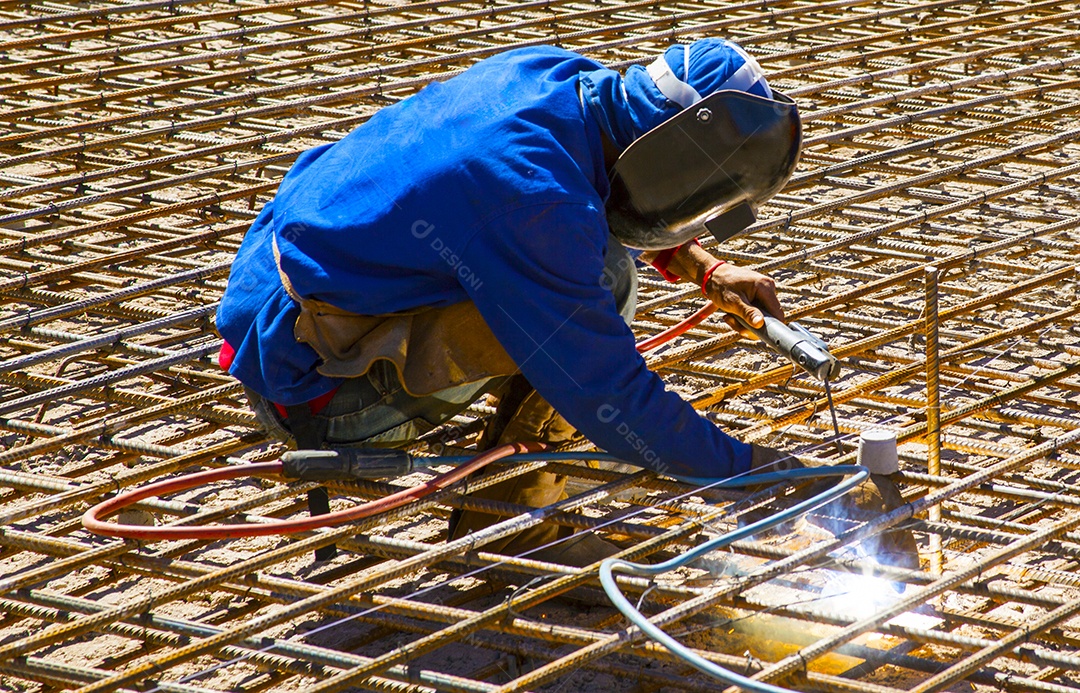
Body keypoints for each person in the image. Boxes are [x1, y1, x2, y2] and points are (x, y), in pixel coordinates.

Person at [216, 38, 915, 568]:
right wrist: (758, 473)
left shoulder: (557, 78)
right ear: (668, 150)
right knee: (606, 284)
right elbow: (608, 391)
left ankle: (504, 495)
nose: (698, 210)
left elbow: (600, 188)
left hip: (286, 299)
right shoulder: (533, 199)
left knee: (592, 266)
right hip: (312, 387)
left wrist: (706, 268)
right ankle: (515, 518)